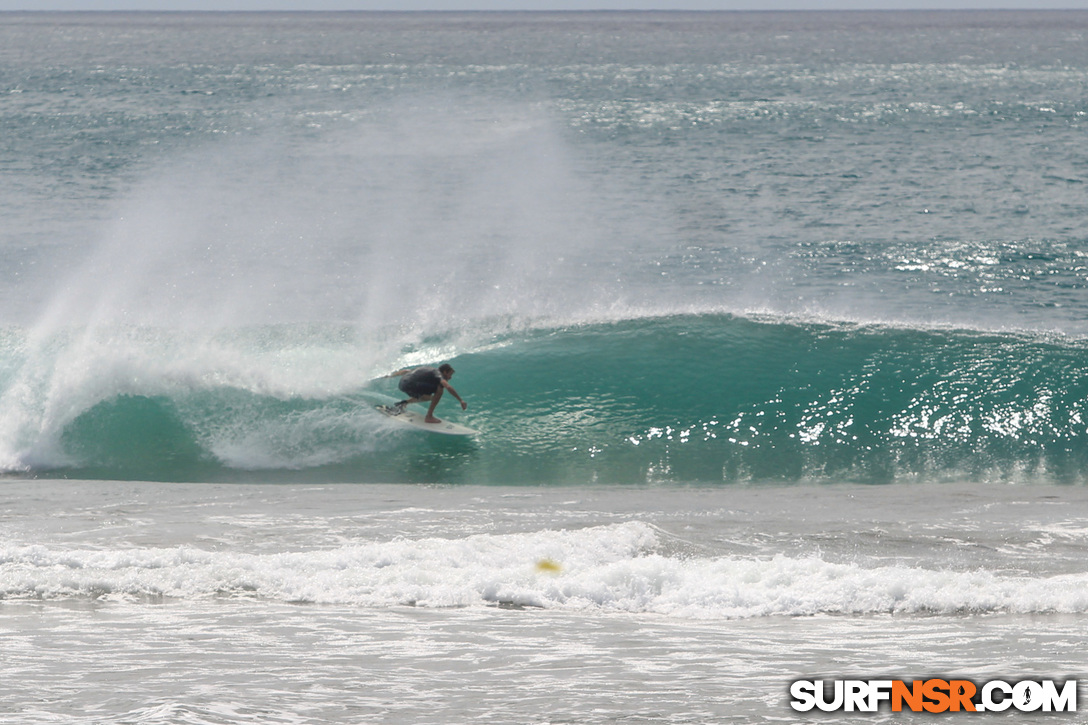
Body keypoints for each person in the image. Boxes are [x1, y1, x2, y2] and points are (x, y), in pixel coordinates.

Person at [384, 363, 467, 424]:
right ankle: (429, 417)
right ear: (445, 372)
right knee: (440, 389)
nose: (450, 377)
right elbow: (448, 387)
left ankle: (403, 403)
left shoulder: (428, 369)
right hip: (410, 385)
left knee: (428, 397)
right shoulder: (439, 375)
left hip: (402, 384)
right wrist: (461, 400)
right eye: (450, 374)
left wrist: (390, 376)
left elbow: (406, 371)